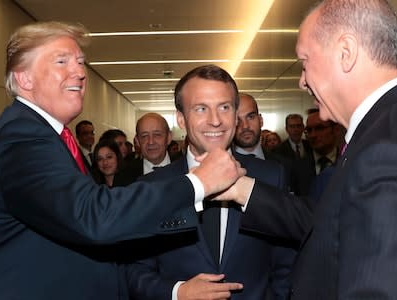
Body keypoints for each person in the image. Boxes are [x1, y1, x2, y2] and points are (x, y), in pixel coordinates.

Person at [0, 21, 246, 300]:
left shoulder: (49, 137)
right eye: (62, 61)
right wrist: (198, 183)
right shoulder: (23, 134)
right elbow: (94, 217)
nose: (79, 72)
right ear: (25, 79)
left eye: (80, 62)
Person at [219, 1, 397, 299]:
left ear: (346, 52)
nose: (302, 81)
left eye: (305, 62)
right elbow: (332, 222)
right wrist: (240, 188)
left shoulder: (392, 155)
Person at [126, 65, 298, 300]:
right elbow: (136, 272)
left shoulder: (269, 176)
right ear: (181, 120)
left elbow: (287, 263)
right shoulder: (153, 185)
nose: (215, 121)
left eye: (224, 107)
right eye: (201, 109)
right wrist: (177, 292)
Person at [233, 92, 313, 195]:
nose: (245, 126)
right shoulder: (222, 167)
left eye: (251, 117)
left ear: (261, 120)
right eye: (237, 120)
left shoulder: (284, 165)